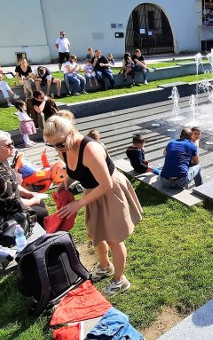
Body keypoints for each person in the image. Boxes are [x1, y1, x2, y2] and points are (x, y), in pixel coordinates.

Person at [44, 115, 143, 297]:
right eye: (51, 145)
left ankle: (120, 280)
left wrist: (78, 204)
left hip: (110, 191)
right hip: (92, 191)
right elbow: (74, 170)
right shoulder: (64, 147)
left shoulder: (90, 150)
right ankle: (105, 266)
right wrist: (64, 184)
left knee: (114, 238)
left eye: (59, 144)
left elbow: (106, 184)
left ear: (72, 133)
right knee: (96, 233)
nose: (57, 148)